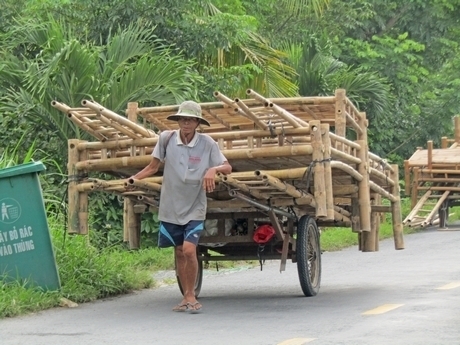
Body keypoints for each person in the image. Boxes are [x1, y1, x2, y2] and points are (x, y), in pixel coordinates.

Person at [129, 100, 232, 313]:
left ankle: (192, 295)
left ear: (197, 122)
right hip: (170, 205)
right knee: (178, 251)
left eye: (190, 119)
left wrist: (213, 170)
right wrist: (132, 180)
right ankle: (186, 295)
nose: (186, 123)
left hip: (195, 205)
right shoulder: (166, 139)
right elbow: (152, 167)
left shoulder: (207, 143)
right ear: (178, 121)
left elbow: (227, 166)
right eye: (182, 119)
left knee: (188, 249)